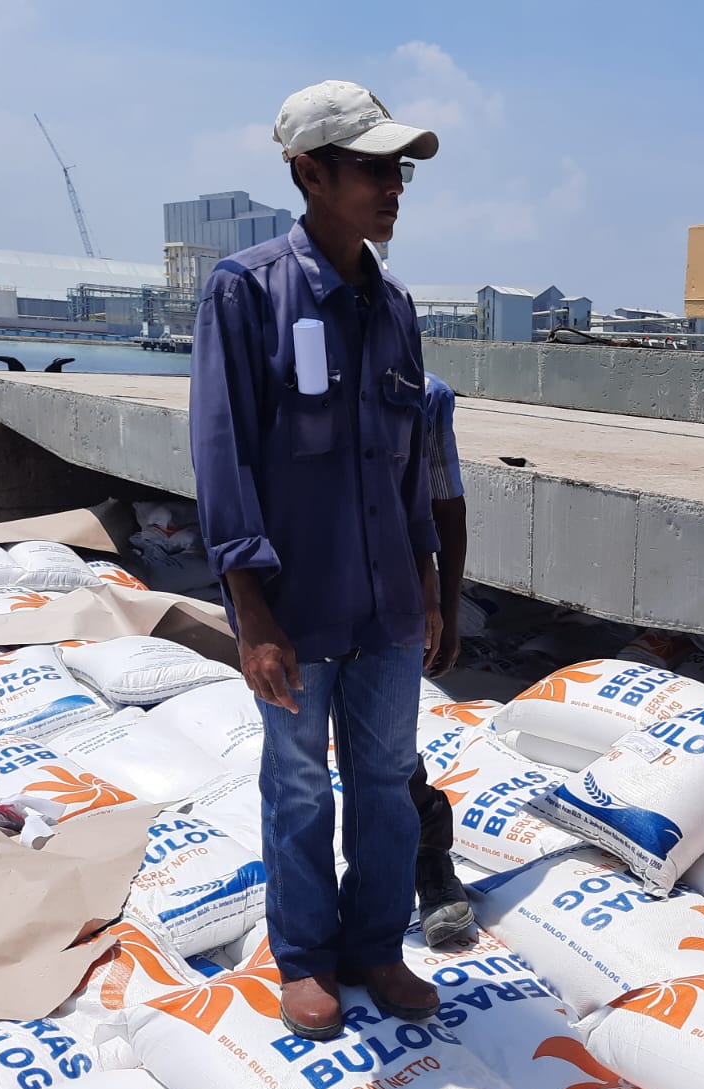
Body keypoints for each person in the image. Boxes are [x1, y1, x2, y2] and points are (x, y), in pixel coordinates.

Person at [189, 79, 443, 1040]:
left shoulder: (396, 306)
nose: (393, 188)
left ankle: (377, 945)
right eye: (373, 168)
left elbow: (412, 460)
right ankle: (304, 957)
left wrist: (426, 583)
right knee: (297, 783)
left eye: (399, 170)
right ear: (309, 173)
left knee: (386, 780)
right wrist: (250, 609)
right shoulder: (248, 291)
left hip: (384, 608)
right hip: (293, 604)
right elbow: (224, 452)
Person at [410, 368, 474, 946]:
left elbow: (444, 506)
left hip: (396, 600)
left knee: (391, 749)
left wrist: (446, 609)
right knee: (301, 773)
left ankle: (429, 859)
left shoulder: (425, 396)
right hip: (310, 598)